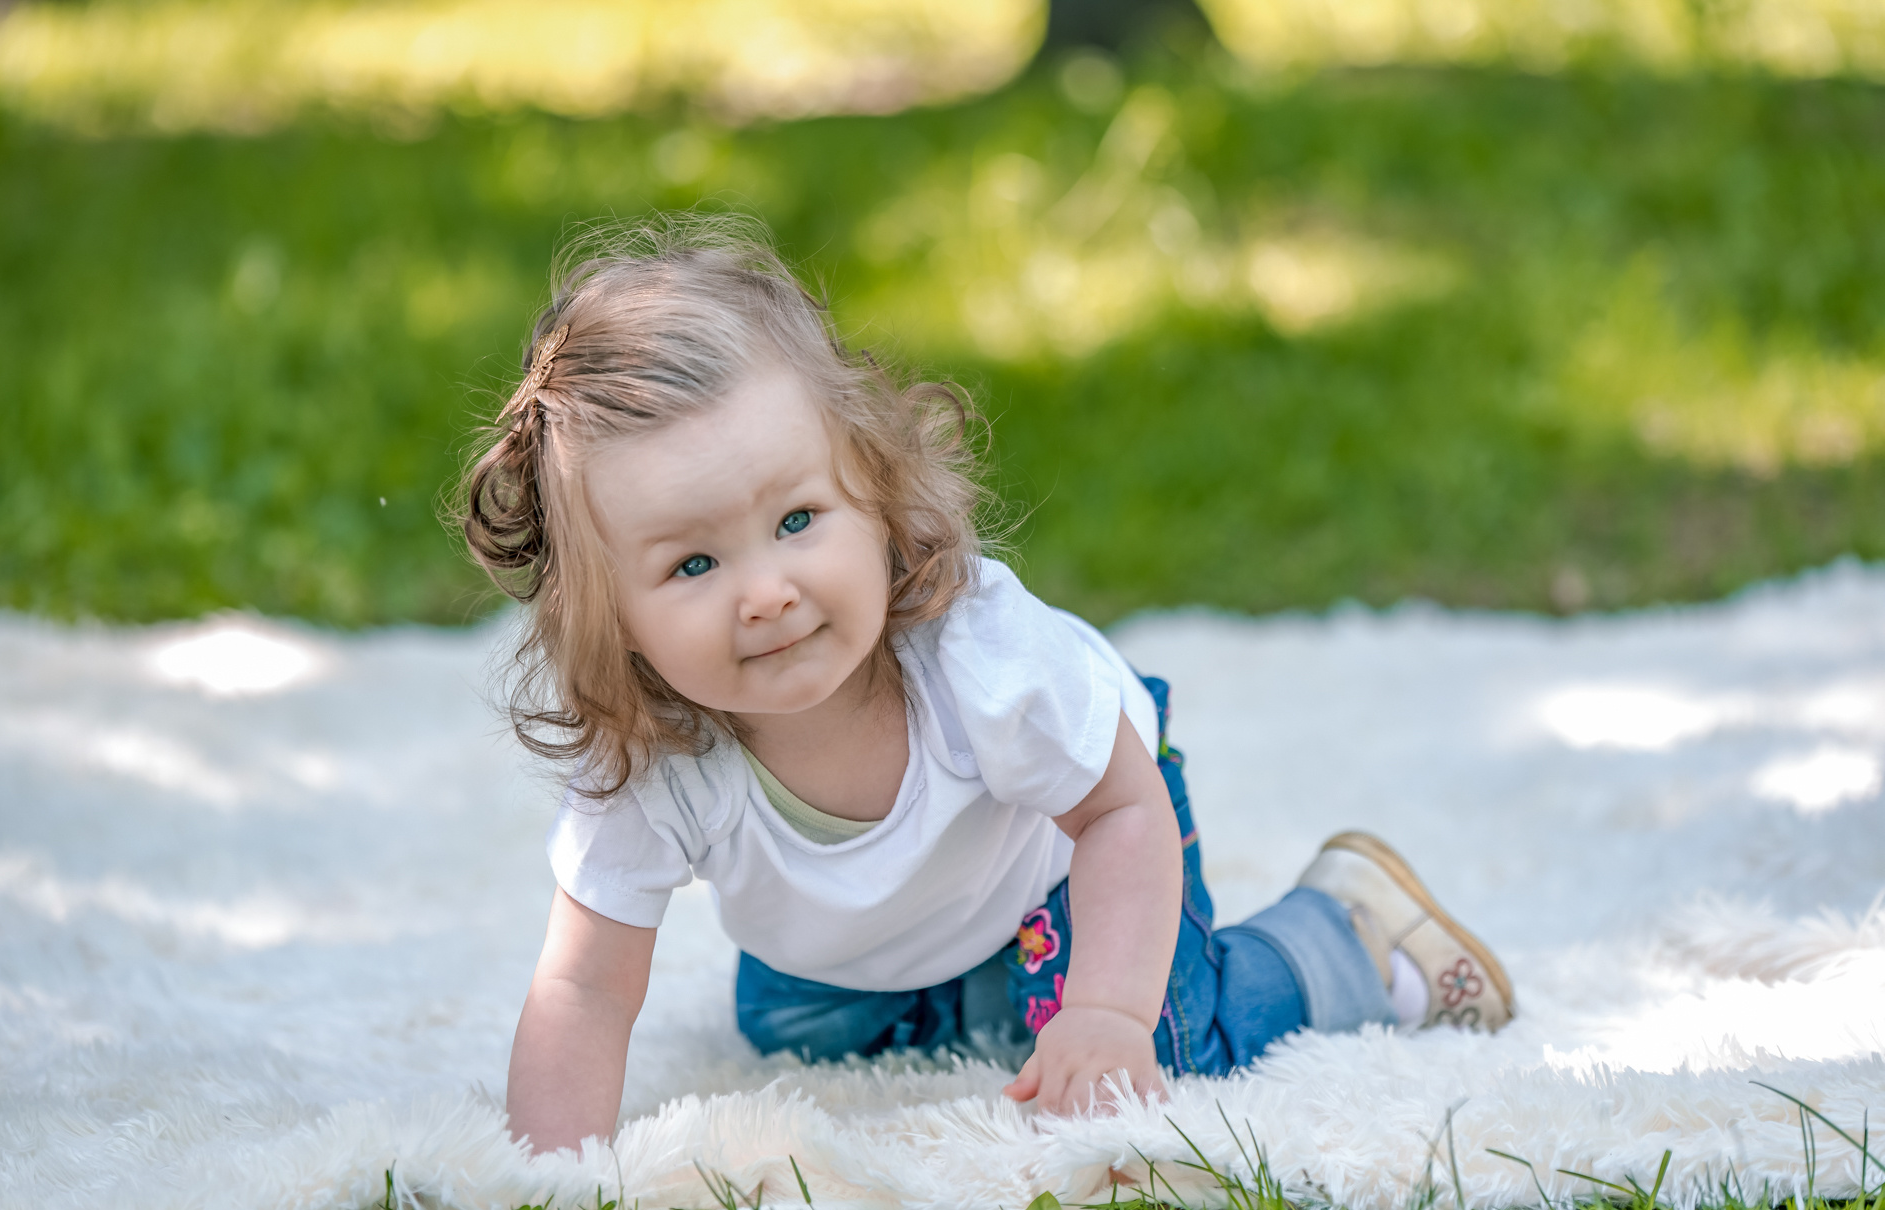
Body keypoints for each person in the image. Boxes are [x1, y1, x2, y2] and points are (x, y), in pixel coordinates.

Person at [462, 215, 1515, 1154]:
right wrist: (544, 1184)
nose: (768, 593)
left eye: (797, 521)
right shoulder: (646, 756)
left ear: (875, 494)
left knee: (1154, 1047)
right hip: (859, 934)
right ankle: (992, 981)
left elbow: (1121, 812)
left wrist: (1102, 1013)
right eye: (695, 564)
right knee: (794, 1032)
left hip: (1082, 835)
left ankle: (1345, 934)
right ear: (612, 620)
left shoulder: (978, 659)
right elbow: (584, 984)